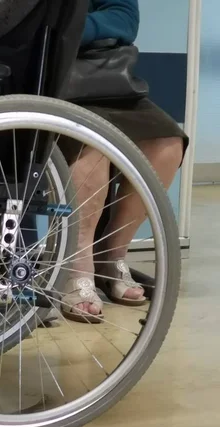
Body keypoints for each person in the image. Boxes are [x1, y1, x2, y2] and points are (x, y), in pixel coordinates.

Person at [59, 0, 188, 323]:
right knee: (93, 144)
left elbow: (124, 19)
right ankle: (78, 265)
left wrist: (69, 26)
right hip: (55, 75)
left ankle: (111, 253)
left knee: (167, 143)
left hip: (106, 77)